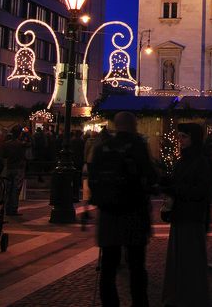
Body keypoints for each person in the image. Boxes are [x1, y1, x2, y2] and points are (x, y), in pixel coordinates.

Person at [91, 112, 160, 307]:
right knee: (137, 266)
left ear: (116, 125)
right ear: (132, 125)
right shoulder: (136, 144)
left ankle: (110, 303)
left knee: (108, 266)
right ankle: (139, 303)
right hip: (134, 212)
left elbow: (93, 177)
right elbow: (150, 173)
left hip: (108, 214)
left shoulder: (102, 147)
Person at [161, 122, 212, 307]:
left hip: (191, 217)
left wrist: (176, 189)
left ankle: (189, 298)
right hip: (181, 216)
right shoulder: (183, 159)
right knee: (179, 261)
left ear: (194, 139)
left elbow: (201, 191)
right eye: (179, 136)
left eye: (184, 136)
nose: (180, 139)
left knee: (189, 262)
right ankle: (179, 295)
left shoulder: (199, 161)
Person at [1, 127, 31, 216]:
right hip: (19, 167)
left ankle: (7, 207)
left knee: (8, 189)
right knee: (16, 189)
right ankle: (13, 208)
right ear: (20, 134)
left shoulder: (6, 144)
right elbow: (31, 143)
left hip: (9, 166)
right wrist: (27, 134)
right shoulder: (22, 144)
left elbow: (4, 155)